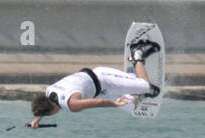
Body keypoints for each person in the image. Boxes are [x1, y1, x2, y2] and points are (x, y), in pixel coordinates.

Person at [30, 39, 162, 128]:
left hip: (103, 78)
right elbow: (44, 105)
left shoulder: (71, 104)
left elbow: (99, 103)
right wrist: (36, 119)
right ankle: (135, 90)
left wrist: (115, 104)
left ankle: (137, 54)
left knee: (145, 85)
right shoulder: (49, 92)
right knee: (131, 107)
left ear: (51, 111)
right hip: (100, 91)